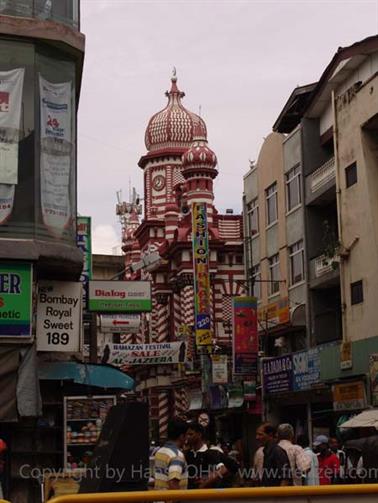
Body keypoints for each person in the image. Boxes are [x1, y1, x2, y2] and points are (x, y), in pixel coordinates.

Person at [185, 422, 239, 489]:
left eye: (191, 434)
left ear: (199, 435)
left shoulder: (212, 452)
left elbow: (223, 470)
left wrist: (205, 483)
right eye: (187, 434)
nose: (187, 437)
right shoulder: (187, 454)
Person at [154, 419, 189, 490]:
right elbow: (173, 483)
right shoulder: (177, 456)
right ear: (182, 436)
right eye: (187, 435)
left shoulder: (160, 451)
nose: (187, 438)